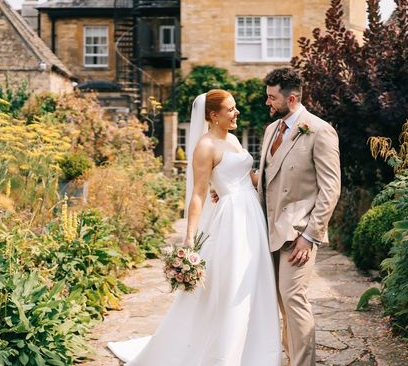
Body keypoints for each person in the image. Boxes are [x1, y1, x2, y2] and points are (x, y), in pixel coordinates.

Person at [107, 90, 281, 365]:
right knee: (232, 281)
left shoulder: (234, 139)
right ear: (214, 115)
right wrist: (189, 236)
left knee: (254, 280)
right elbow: (199, 193)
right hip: (232, 219)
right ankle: (224, 352)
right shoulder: (205, 146)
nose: (237, 113)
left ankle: (254, 348)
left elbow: (251, 178)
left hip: (252, 215)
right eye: (231, 109)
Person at [258, 68, 341, 366]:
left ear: (291, 98)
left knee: (293, 299)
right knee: (281, 302)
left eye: (272, 97)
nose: (267, 102)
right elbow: (267, 178)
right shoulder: (271, 130)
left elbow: (330, 188)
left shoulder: (319, 130)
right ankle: (291, 359)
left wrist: (310, 235)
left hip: (298, 234)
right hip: (268, 231)